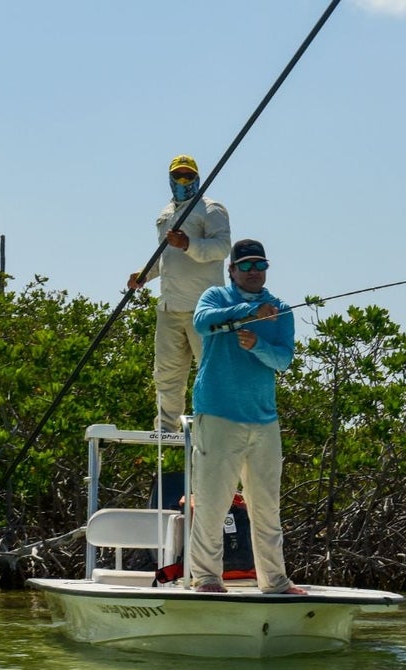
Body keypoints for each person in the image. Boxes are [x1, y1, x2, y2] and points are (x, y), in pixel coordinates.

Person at [187, 239, 304, 595]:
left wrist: (259, 346)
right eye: (247, 266)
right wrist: (246, 313)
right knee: (212, 502)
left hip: (264, 419)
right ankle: (206, 578)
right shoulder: (216, 297)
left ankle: (276, 581)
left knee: (267, 506)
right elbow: (202, 323)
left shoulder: (280, 308)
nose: (255, 272)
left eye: (260, 266)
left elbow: (283, 360)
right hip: (218, 413)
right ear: (232, 270)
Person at [127, 155, 230, 431]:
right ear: (170, 179)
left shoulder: (211, 209)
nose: (183, 181)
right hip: (169, 307)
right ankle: (167, 429)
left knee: (210, 373)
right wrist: (143, 274)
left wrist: (188, 243)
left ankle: (216, 427)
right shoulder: (166, 213)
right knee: (166, 374)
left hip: (204, 308)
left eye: (188, 175)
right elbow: (165, 259)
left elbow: (222, 248)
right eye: (178, 176)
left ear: (197, 177)